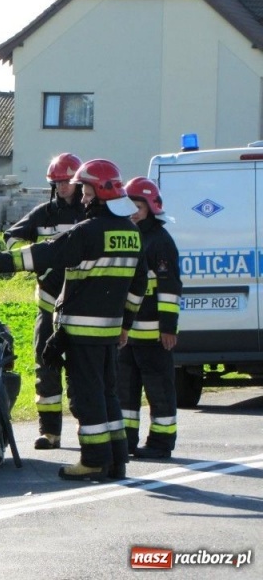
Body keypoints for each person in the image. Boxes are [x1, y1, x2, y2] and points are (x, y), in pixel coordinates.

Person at [0, 159, 147, 481]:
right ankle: (115, 460)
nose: (82, 197)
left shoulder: (88, 231)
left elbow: (44, 254)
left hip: (81, 332)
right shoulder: (132, 233)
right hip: (109, 333)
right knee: (108, 394)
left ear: (100, 192)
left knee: (86, 397)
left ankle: (94, 460)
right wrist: (125, 325)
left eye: (86, 190)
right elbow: (139, 287)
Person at [1, 153, 85, 450]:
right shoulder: (43, 214)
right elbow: (10, 238)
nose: (62, 187)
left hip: (80, 309)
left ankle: (87, 431)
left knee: (81, 371)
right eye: (57, 182)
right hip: (48, 307)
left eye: (66, 182)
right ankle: (49, 432)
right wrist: (36, 261)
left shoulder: (90, 214)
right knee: (45, 369)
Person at [119, 177, 182, 459]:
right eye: (129, 204)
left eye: (138, 205)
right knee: (125, 391)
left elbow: (169, 289)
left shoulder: (160, 241)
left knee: (159, 391)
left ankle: (161, 442)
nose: (133, 210)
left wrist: (168, 328)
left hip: (155, 335)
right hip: (127, 334)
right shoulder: (127, 236)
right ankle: (126, 440)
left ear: (151, 207)